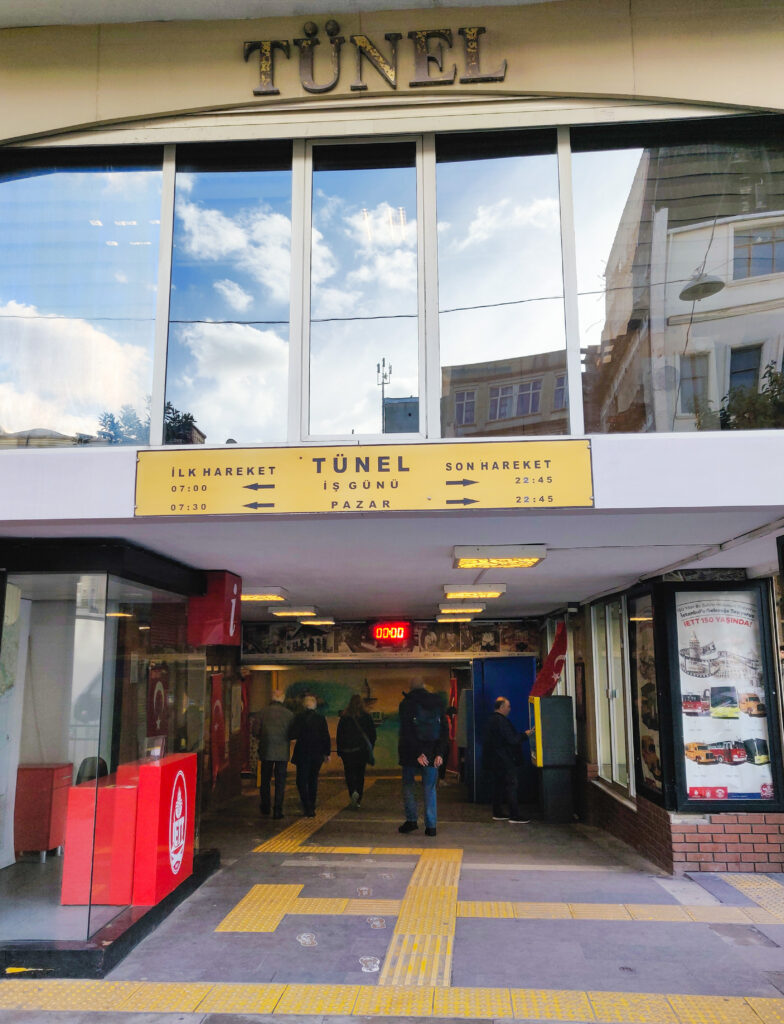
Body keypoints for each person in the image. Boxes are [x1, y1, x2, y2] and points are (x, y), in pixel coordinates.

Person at [397, 679, 449, 837]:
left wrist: (417, 753)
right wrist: (440, 752)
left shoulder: (406, 703)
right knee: (430, 788)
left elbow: (407, 731)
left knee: (408, 786)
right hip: (433, 752)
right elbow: (444, 729)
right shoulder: (438, 702)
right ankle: (431, 826)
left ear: (410, 688)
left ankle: (412, 821)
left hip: (411, 753)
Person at [482, 696, 530, 824]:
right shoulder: (501, 721)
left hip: (493, 759)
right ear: (502, 707)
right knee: (511, 786)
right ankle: (514, 815)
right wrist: (525, 735)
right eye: (508, 706)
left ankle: (497, 812)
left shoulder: (490, 720)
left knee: (498, 786)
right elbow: (511, 739)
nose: (510, 709)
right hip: (504, 759)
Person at [290, 695, 331, 817]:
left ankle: (306, 804)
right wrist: (327, 753)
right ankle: (312, 805)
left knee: (301, 780)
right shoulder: (321, 719)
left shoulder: (299, 718)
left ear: (304, 705)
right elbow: (325, 736)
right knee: (313, 779)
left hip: (303, 753)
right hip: (317, 754)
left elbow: (293, 734)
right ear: (315, 706)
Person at [257, 688, 294, 819]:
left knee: (265, 779)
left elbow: (256, 731)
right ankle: (278, 809)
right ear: (283, 699)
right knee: (280, 781)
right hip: (282, 752)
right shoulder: (289, 714)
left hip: (266, 750)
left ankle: (265, 806)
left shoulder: (262, 712)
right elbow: (292, 733)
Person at [336, 694, 377, 808]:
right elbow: (372, 735)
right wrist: (370, 747)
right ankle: (358, 799)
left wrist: (340, 750)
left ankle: (352, 791)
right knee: (360, 774)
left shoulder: (345, 717)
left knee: (349, 774)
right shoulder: (367, 717)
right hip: (361, 751)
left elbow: (340, 735)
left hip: (347, 752)